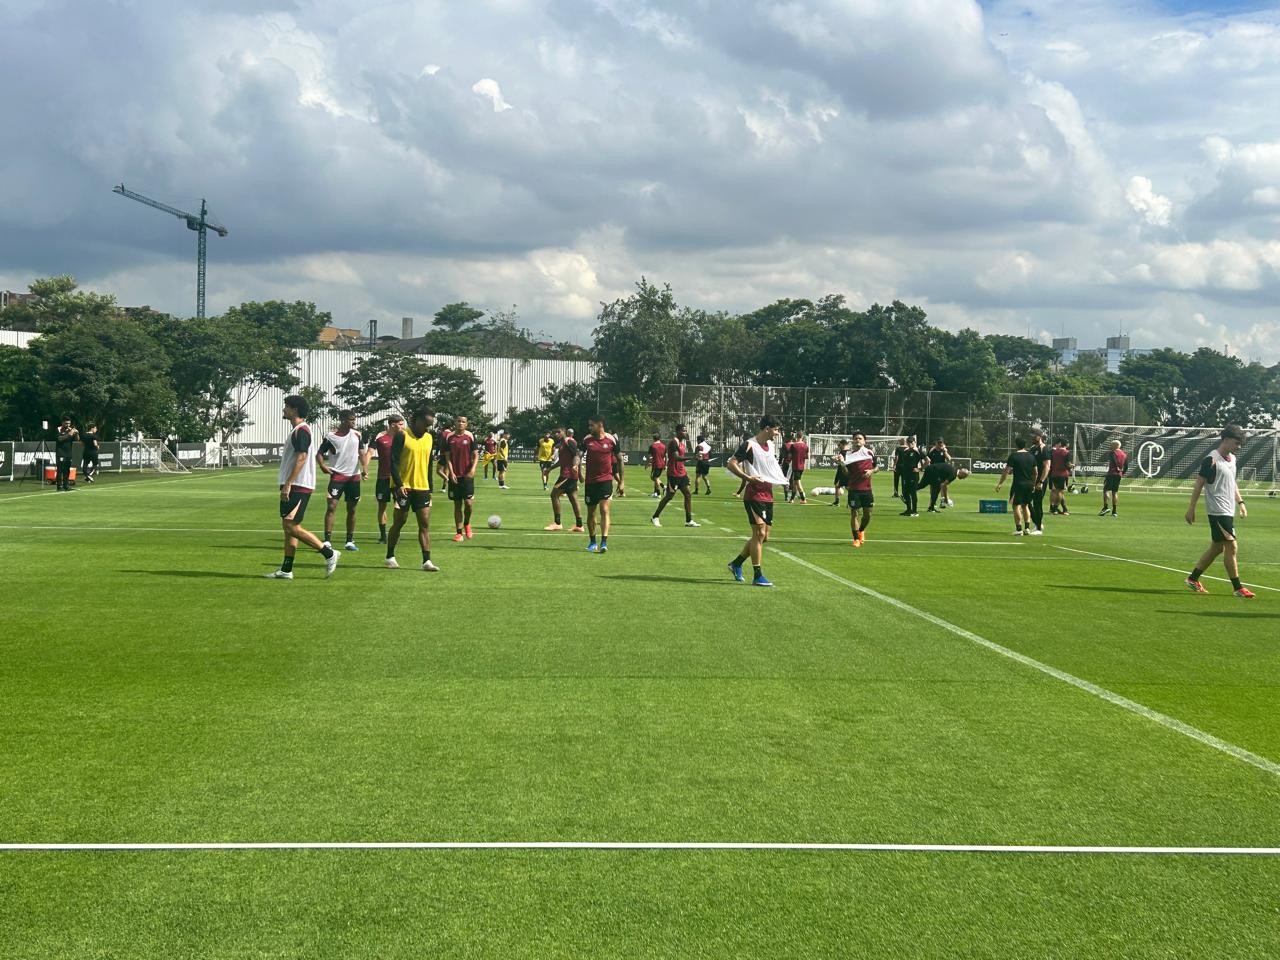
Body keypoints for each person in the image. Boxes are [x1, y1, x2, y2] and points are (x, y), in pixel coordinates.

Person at [267, 395, 339, 579]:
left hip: (298, 485)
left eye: (286, 406)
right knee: (289, 527)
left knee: (291, 525)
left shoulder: (302, 430)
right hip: (294, 484)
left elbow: (302, 457)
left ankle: (329, 553)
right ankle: (286, 569)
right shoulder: (297, 430)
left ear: (295, 410)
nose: (284, 409)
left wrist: (288, 483)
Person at [1184, 424, 1254, 598]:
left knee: (1217, 548)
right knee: (1231, 546)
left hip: (1228, 510)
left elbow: (1232, 483)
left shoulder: (1232, 459)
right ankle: (1238, 587)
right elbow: (1199, 484)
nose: (1239, 447)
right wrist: (1191, 508)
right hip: (1217, 511)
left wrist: (1241, 502)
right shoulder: (1211, 460)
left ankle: (1193, 578)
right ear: (1226, 439)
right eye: (1236, 443)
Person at [726, 414, 785, 586]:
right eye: (776, 429)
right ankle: (757, 575)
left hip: (768, 495)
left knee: (764, 536)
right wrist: (748, 478)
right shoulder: (749, 445)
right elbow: (732, 463)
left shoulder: (771, 446)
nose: (777, 433)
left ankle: (736, 563)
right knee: (758, 534)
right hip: (754, 495)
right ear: (767, 428)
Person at [384, 408, 440, 572]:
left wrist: (430, 488)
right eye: (428, 419)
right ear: (418, 419)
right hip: (404, 487)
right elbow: (393, 461)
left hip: (422, 487)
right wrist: (398, 484)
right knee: (399, 522)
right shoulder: (402, 435)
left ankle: (426, 561)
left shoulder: (429, 438)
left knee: (424, 523)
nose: (430, 423)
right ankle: (390, 555)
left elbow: (429, 464)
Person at [316, 409, 369, 552]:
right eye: (351, 420)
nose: (354, 422)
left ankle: (350, 541)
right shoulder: (331, 436)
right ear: (343, 420)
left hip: (354, 477)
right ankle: (327, 541)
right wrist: (322, 465)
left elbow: (361, 453)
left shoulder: (357, 435)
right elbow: (319, 453)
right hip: (337, 476)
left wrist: (364, 468)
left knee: (352, 509)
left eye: (354, 419)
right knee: (331, 506)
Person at [580, 415, 624, 552]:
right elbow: (578, 455)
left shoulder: (611, 440)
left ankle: (604, 542)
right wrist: (577, 468)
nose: (589, 428)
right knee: (591, 512)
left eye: (591, 425)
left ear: (600, 425)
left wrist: (622, 482)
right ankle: (592, 542)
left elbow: (620, 460)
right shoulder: (587, 440)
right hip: (590, 482)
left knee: (604, 509)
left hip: (606, 480)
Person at [651, 423, 698, 528]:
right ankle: (655, 517)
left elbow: (681, 461)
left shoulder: (682, 444)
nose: (685, 432)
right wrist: (692, 457)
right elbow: (676, 457)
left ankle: (689, 520)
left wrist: (686, 473)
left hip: (682, 473)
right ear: (678, 432)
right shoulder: (673, 442)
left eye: (686, 430)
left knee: (688, 494)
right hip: (673, 474)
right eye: (683, 430)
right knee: (669, 496)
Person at [441, 414, 479, 542]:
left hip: (467, 475)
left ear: (466, 424)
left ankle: (467, 523)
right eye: (458, 421)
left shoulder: (470, 436)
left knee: (468, 504)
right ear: (455, 422)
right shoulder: (449, 437)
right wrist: (451, 472)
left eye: (463, 421)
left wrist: (473, 469)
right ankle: (459, 533)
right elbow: (448, 458)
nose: (460, 423)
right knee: (457, 504)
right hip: (455, 476)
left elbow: (476, 455)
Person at [371, 414, 404, 543]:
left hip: (398, 479)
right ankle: (383, 535)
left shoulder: (404, 437)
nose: (402, 426)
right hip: (383, 478)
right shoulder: (380, 437)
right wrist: (365, 466)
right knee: (382, 506)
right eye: (400, 424)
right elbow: (370, 451)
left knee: (399, 506)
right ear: (393, 424)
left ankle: (396, 533)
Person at [545, 427, 585, 532]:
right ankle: (579, 525)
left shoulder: (568, 441)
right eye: (555, 432)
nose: (556, 434)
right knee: (573, 498)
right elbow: (561, 461)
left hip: (567, 475)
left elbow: (577, 455)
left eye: (559, 432)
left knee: (554, 495)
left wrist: (577, 469)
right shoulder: (562, 444)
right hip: (570, 475)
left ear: (564, 432)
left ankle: (557, 523)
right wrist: (550, 469)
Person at [996, 437, 1037, 536]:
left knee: (1016, 506)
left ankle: (1019, 529)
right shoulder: (1031, 456)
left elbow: (1006, 471)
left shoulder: (1014, 456)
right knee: (1025, 505)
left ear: (1016, 445)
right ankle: (1027, 528)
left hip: (1018, 484)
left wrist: (1000, 483)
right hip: (1029, 484)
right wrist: (1033, 484)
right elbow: (1035, 472)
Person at [843, 432, 877, 547]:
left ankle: (861, 530)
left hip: (867, 489)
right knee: (854, 513)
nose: (858, 440)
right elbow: (847, 473)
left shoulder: (869, 452)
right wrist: (842, 464)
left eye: (860, 438)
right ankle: (856, 539)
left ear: (864, 441)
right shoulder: (848, 455)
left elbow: (877, 467)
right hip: (854, 489)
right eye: (856, 438)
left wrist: (871, 471)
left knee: (868, 515)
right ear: (853, 441)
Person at [1028, 433, 1051, 536]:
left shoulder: (1044, 449)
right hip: (1031, 479)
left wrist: (1041, 481)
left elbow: (1047, 467)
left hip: (1040, 480)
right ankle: (1038, 523)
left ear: (1040, 437)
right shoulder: (1032, 449)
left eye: (1034, 436)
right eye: (1032, 436)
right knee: (1027, 502)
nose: (1032, 438)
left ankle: (1038, 528)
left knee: (1037, 503)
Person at [897, 436, 925, 517]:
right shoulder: (906, 451)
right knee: (905, 493)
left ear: (914, 442)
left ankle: (915, 511)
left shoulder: (917, 451)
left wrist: (920, 469)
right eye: (908, 442)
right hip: (906, 474)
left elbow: (927, 460)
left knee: (913, 492)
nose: (910, 444)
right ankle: (908, 510)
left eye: (911, 442)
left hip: (913, 475)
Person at [1100, 440, 1128, 517]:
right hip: (1118, 475)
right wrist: (1121, 473)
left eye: (1112, 445)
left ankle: (1105, 507)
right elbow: (1126, 466)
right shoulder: (1124, 454)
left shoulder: (1112, 452)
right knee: (1115, 492)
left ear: (1115, 445)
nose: (1110, 446)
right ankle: (1114, 511)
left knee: (1106, 490)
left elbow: (1114, 461)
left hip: (1112, 473)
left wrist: (1115, 469)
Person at [925, 439, 954, 507]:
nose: (940, 444)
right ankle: (933, 502)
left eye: (941, 443)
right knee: (933, 487)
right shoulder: (932, 450)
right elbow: (927, 459)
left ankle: (942, 501)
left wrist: (945, 451)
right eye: (938, 443)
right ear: (936, 443)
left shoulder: (943, 450)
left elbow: (949, 459)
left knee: (943, 486)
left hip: (942, 471)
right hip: (934, 470)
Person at [1049, 438, 1072, 516]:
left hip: (1054, 473)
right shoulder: (1067, 453)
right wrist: (1072, 466)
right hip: (1062, 474)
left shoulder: (1054, 452)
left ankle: (1059, 508)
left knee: (1055, 491)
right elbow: (1068, 464)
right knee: (1060, 492)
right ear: (1066, 444)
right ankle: (1055, 509)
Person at [54, 417, 78, 491]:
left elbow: (77, 439)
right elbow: (60, 439)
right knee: (60, 470)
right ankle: (59, 486)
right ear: (62, 423)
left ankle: (66, 485)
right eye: (66, 423)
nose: (68, 425)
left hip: (68, 453)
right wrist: (70, 434)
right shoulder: (58, 429)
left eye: (69, 423)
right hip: (60, 452)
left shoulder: (70, 429)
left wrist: (77, 433)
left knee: (67, 470)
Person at [786, 432, 808, 503]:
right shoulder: (805, 446)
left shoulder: (793, 445)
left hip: (796, 466)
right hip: (802, 466)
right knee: (794, 482)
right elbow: (806, 457)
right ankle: (792, 499)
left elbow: (789, 456)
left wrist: (788, 461)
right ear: (802, 436)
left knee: (797, 482)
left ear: (796, 436)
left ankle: (803, 498)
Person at [829, 439, 851, 507]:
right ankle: (849, 501)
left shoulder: (843, 452)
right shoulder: (850, 452)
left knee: (839, 486)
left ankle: (838, 502)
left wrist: (834, 460)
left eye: (839, 445)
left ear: (843, 444)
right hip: (847, 471)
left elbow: (841, 463)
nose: (838, 446)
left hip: (842, 471)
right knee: (845, 486)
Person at [645, 433, 667, 498]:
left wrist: (647, 464)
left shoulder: (652, 446)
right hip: (662, 464)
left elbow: (649, 456)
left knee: (655, 478)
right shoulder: (664, 446)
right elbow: (666, 456)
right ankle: (656, 493)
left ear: (653, 438)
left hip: (656, 464)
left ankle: (659, 493)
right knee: (654, 477)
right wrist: (665, 464)